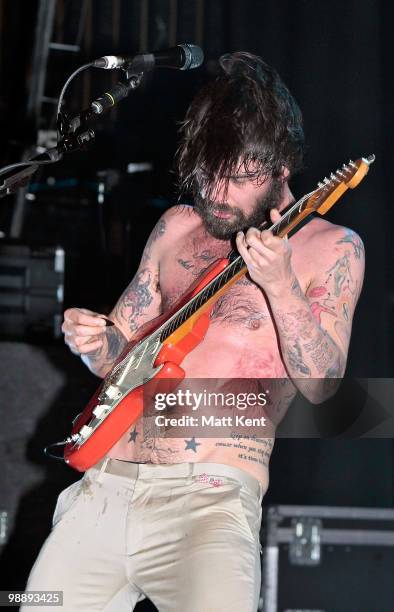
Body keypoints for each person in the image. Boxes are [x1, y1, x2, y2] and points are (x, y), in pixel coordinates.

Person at [23, 52, 364, 611]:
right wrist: (93, 340)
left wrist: (281, 288)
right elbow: (120, 356)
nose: (215, 192)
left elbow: (325, 388)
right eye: (207, 173)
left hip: (210, 501)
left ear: (280, 167)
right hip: (105, 488)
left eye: (234, 175)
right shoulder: (178, 227)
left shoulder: (331, 248)